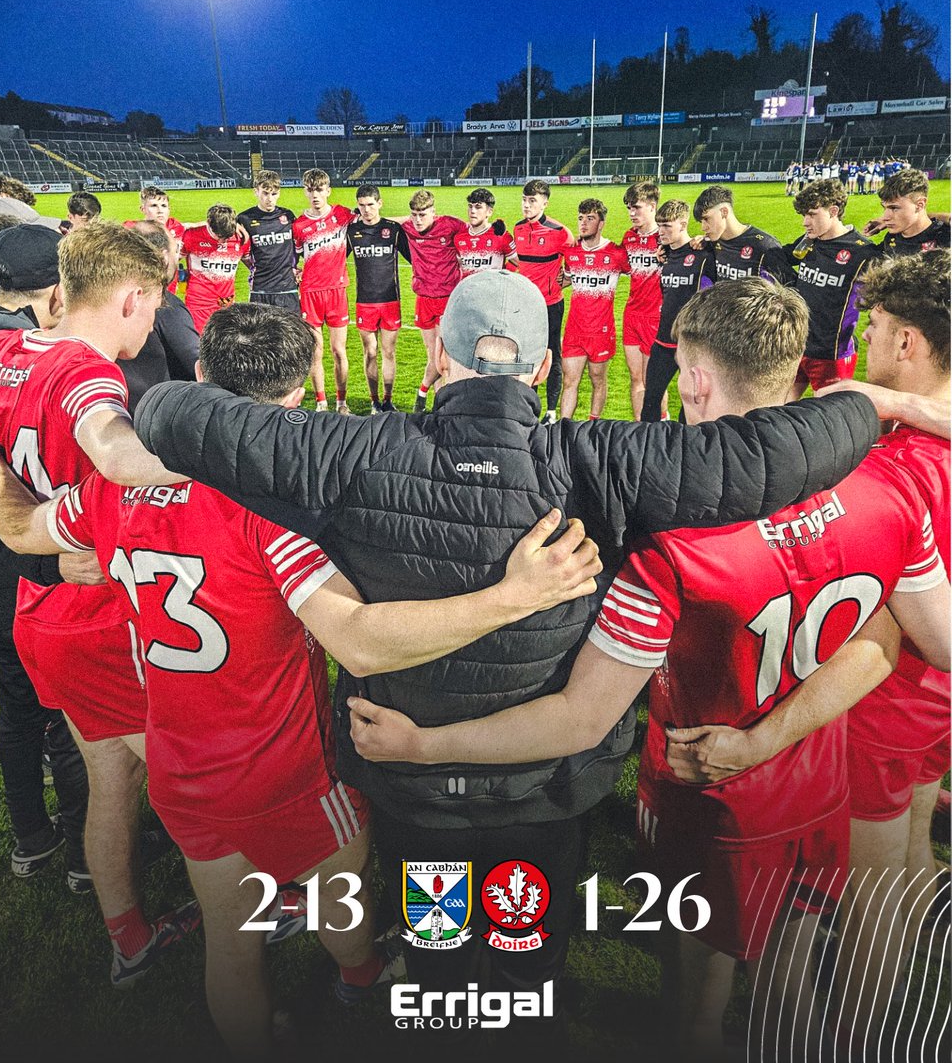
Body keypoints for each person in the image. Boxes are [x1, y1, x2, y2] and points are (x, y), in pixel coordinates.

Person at [133, 268, 881, 1015]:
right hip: (542, 792)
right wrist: (875, 398)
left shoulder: (350, 449)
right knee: (527, 961)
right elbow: (778, 451)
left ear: (436, 356)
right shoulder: (604, 460)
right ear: (545, 367)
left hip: (414, 785)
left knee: (438, 961)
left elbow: (168, 410)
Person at [347, 278, 950, 1061]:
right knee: (789, 957)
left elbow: (583, 716)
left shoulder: (673, 544)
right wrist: (776, 738)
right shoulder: (881, 487)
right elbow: (891, 640)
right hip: (817, 775)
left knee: (696, 1001)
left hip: (713, 795)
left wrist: (424, 744)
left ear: (693, 380)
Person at [0, 300, 602, 1057]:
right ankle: (361, 978)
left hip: (181, 759)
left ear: (202, 373)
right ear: (302, 395)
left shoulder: (110, 489)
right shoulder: (280, 506)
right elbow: (361, 642)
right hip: (286, 764)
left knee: (230, 936)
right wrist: (511, 597)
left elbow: (19, 527)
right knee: (342, 903)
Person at [671, 250, 952, 1053]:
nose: (861, 338)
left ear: (906, 341)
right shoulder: (921, 426)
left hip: (887, 699)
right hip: (934, 709)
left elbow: (904, 630)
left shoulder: (891, 464)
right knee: (908, 848)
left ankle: (855, 1036)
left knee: (870, 894)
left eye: (873, 326)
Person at [0, 220, 198, 985]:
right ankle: (260, 913)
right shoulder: (88, 372)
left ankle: (130, 939)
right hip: (108, 615)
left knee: (111, 778)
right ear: (131, 297)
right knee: (195, 781)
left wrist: (25, 524)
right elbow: (112, 447)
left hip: (42, 613)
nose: (151, 326)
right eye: (151, 309)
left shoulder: (8, 349)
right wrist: (217, 461)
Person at [0, 225, 91, 891]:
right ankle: (89, 860)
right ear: (55, 294)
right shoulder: (48, 360)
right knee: (70, 713)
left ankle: (30, 838)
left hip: (3, 572)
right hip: (33, 562)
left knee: (17, 709)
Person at [784, 178, 878, 397]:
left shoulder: (862, 253)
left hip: (831, 353)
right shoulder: (809, 240)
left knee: (830, 419)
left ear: (833, 211)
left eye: (812, 214)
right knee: (779, 407)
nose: (805, 222)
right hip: (797, 344)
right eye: (803, 215)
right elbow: (779, 256)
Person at [640, 199, 713, 422]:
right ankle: (647, 449)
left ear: (683, 224)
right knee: (650, 401)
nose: (660, 231)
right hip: (663, 341)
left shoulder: (703, 255)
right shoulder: (665, 255)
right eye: (659, 225)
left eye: (667, 226)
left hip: (691, 344)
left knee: (690, 404)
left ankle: (685, 450)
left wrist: (707, 240)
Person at [118, 221, 199, 412]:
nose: (177, 256)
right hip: (158, 417)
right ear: (163, 258)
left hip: (116, 410)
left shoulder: (106, 297)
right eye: (175, 250)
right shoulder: (165, 306)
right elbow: (199, 367)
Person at [396, 189, 465, 413]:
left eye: (422, 215)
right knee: (432, 355)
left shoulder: (451, 225)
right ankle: (438, 404)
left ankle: (428, 395)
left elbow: (474, 232)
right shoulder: (407, 227)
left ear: (434, 213)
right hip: (423, 299)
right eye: (414, 214)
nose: (417, 220)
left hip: (447, 298)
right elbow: (388, 220)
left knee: (445, 356)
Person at [291, 168, 354, 413]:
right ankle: (321, 403)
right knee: (315, 352)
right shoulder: (299, 225)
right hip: (310, 293)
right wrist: (295, 271)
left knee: (339, 350)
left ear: (328, 190)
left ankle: (341, 402)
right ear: (305, 191)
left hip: (337, 290)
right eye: (310, 190)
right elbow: (294, 258)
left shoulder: (342, 214)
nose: (315, 195)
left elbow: (372, 219)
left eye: (319, 189)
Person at [559, 198, 629, 420]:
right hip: (574, 331)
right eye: (581, 218)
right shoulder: (572, 254)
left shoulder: (617, 254)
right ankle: (563, 428)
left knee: (598, 380)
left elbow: (640, 269)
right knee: (569, 382)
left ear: (601, 224)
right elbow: (565, 279)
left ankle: (593, 424)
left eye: (590, 218)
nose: (583, 223)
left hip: (601, 331)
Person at [513, 179, 574, 424]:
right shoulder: (518, 229)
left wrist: (565, 278)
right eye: (524, 200)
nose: (526, 206)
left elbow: (574, 261)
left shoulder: (560, 232)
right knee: (527, 354)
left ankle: (550, 411)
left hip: (550, 304)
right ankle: (530, 405)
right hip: (525, 304)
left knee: (552, 353)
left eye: (532, 201)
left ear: (545, 203)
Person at [347, 184, 410, 414]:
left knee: (389, 352)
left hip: (391, 300)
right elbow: (334, 258)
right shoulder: (351, 232)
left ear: (379, 203)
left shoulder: (393, 230)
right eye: (362, 206)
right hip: (364, 302)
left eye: (371, 205)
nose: (366, 210)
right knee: (370, 352)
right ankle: (374, 401)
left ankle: (388, 399)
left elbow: (415, 257)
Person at [619, 181, 663, 420]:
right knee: (636, 378)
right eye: (629, 208)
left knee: (653, 380)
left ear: (652, 206)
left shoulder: (665, 237)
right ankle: (639, 426)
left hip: (656, 316)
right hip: (631, 315)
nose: (631, 213)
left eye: (636, 207)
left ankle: (661, 425)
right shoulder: (629, 238)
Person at [692, 185, 795, 285]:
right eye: (701, 221)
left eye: (706, 219)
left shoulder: (764, 246)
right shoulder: (711, 244)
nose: (703, 227)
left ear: (724, 212)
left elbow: (789, 289)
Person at [180, 203, 250, 334]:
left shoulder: (241, 238)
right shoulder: (192, 236)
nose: (222, 242)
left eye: (226, 238)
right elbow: (172, 260)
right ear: (208, 222)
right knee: (200, 345)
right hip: (198, 304)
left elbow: (251, 264)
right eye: (219, 236)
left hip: (226, 304)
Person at [236, 169, 300, 312]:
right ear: (256, 191)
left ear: (279, 193)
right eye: (265, 193)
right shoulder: (244, 219)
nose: (269, 198)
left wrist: (296, 267)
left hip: (287, 288)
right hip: (260, 289)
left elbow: (299, 244)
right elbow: (238, 250)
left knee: (292, 333)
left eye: (274, 194)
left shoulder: (288, 216)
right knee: (260, 334)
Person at [864, 167, 951, 254]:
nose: (885, 217)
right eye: (884, 207)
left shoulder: (946, 238)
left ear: (920, 205)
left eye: (894, 208)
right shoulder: (891, 238)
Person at [124, 186, 185, 292]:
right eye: (154, 206)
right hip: (144, 289)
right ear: (143, 209)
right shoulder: (132, 228)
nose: (160, 210)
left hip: (169, 291)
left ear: (169, 209)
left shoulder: (176, 227)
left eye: (163, 206)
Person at [453, 188, 517, 280]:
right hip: (467, 292)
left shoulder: (500, 235)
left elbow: (520, 264)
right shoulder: (459, 237)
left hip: (492, 292)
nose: (472, 211)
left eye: (478, 207)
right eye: (470, 206)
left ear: (489, 212)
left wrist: (503, 276)